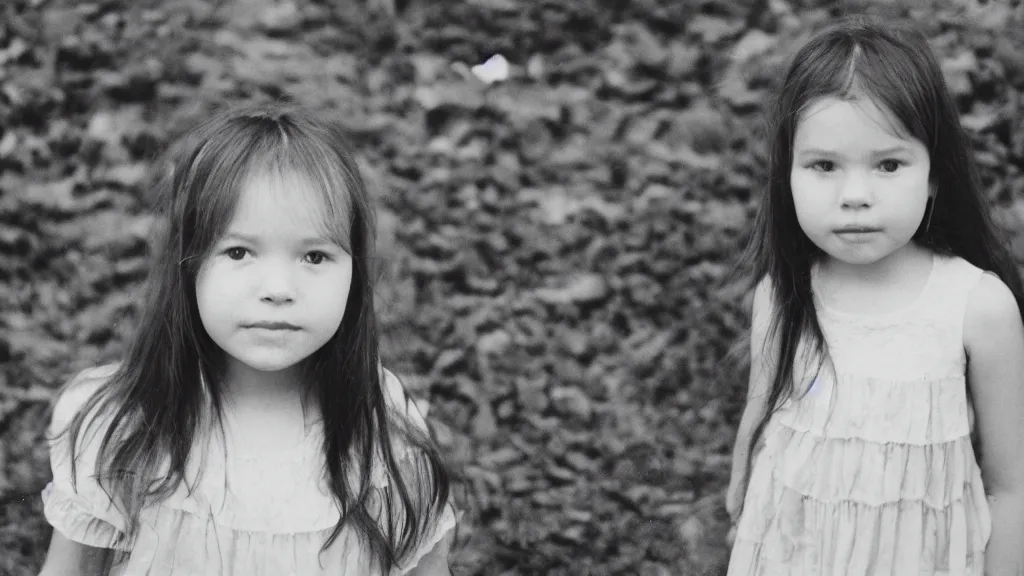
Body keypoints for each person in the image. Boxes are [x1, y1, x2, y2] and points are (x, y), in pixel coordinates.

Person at [36, 104, 459, 575]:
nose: (278, 289)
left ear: (356, 273)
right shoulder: (128, 424)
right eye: (239, 251)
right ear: (189, 264)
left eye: (315, 256)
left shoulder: (382, 433)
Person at [724, 16, 1024, 575]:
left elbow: (1011, 487)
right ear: (786, 173)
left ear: (934, 172)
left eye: (888, 164)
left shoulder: (978, 308)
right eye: (823, 166)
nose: (855, 196)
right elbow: (760, 431)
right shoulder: (782, 294)